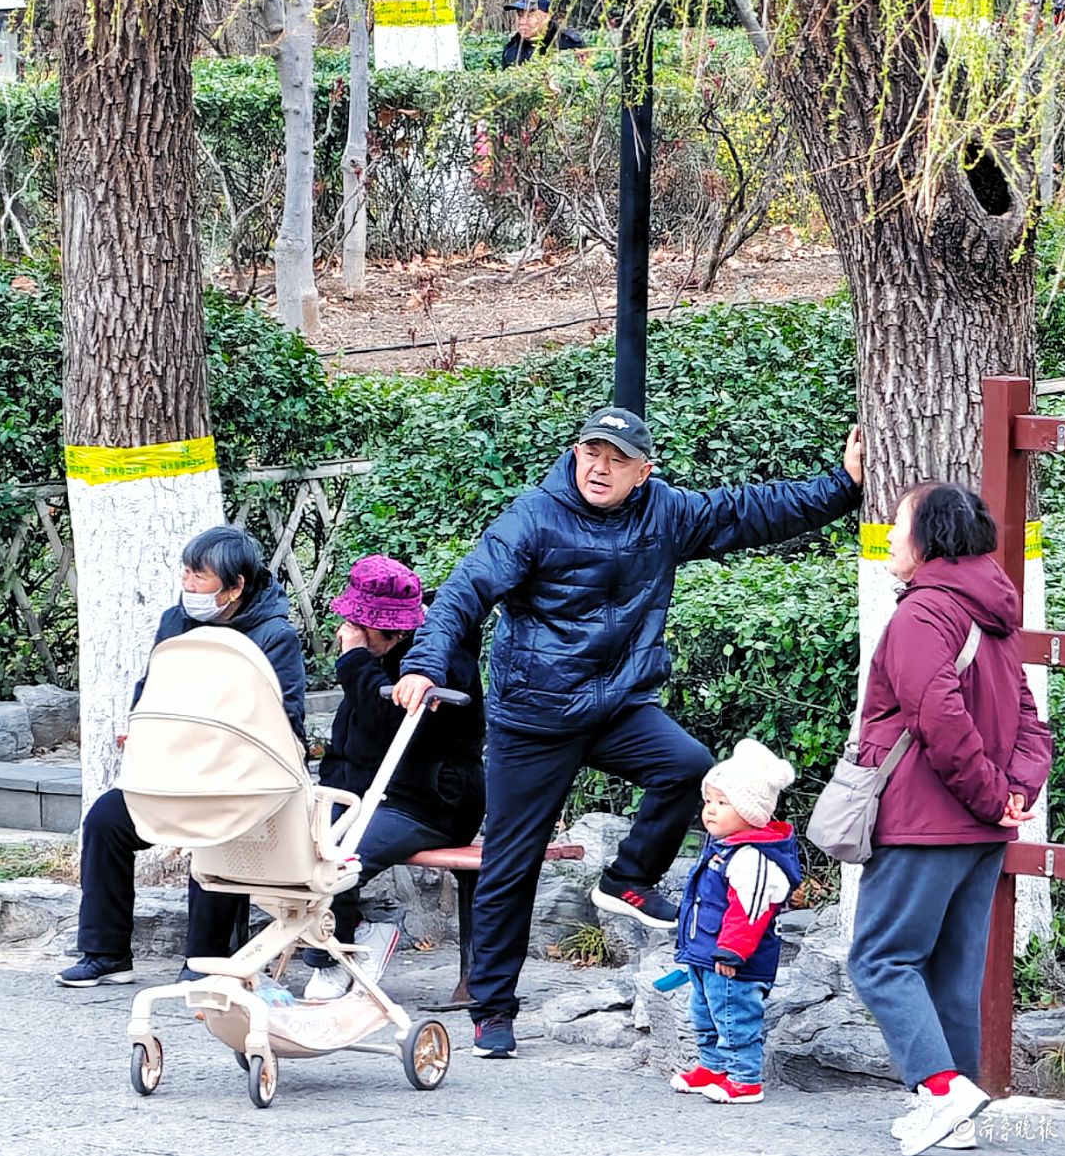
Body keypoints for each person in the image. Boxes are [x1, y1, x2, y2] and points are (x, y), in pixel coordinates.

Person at [393, 405, 863, 1059]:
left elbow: (749, 511)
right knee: (510, 862)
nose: (600, 467)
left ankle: (627, 877)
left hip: (616, 705)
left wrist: (844, 486)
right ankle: (493, 1009)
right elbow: (463, 593)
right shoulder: (534, 517)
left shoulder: (663, 512)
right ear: (575, 453)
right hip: (534, 716)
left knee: (688, 767)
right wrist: (422, 663)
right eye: (592, 453)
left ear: (644, 471)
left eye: (617, 459)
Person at [846, 483, 1053, 1156]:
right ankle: (952, 1114)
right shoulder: (994, 613)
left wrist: (993, 794)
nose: (889, 535)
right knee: (951, 978)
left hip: (924, 821)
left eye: (898, 522)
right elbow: (1029, 720)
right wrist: (1012, 793)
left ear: (928, 537)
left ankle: (941, 1089)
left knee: (879, 958)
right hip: (982, 830)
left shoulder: (922, 614)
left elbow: (938, 717)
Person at [55, 525, 306, 988]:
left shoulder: (275, 635)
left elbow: (287, 718)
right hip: (174, 769)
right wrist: (142, 728)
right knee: (106, 821)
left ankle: (206, 961)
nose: (188, 584)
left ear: (235, 587)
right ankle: (105, 953)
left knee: (217, 834)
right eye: (186, 572)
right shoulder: (176, 620)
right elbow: (152, 687)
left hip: (238, 777)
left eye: (199, 576)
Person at [302, 556, 485, 1000]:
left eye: (358, 626)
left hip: (430, 802)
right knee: (290, 848)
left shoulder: (444, 660)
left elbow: (392, 727)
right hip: (365, 794)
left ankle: (334, 961)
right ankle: (360, 932)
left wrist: (354, 662)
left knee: (336, 861)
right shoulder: (376, 655)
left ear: (393, 631)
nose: (347, 633)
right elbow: (353, 740)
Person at [670, 738, 802, 1105]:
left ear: (751, 810)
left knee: (734, 1017)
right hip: (707, 954)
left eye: (723, 803)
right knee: (704, 1014)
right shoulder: (723, 846)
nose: (710, 810)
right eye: (709, 801)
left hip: (734, 961)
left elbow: (750, 910)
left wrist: (732, 951)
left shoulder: (753, 857)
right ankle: (713, 1067)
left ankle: (745, 1079)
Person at [499, 0, 587, 67]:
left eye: (529, 16)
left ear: (546, 17)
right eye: (519, 16)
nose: (522, 22)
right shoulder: (512, 48)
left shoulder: (568, 42)